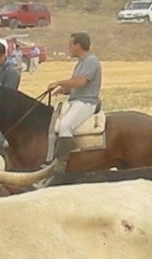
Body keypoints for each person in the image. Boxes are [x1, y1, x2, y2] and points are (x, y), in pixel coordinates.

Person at [46, 32, 102, 175]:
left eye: (70, 44)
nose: (68, 47)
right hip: (76, 100)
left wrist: (59, 82)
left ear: (78, 45)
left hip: (86, 102)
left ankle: (60, 165)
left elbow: (81, 82)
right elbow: (76, 86)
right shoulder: (82, 62)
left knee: (66, 126)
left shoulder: (91, 61)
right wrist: (63, 90)